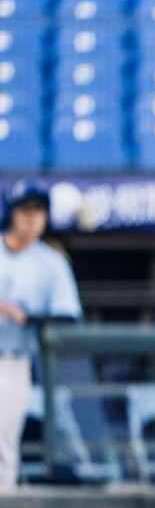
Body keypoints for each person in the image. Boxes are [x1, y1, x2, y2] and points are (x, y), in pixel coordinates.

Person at [0, 180, 83, 487]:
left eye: (39, 211)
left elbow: (67, 317)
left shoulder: (52, 262)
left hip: (13, 360)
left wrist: (25, 316)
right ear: (13, 213)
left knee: (3, 448)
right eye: (26, 211)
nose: (33, 218)